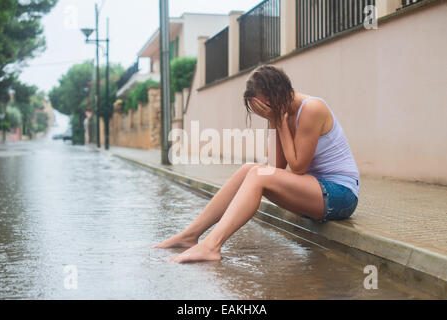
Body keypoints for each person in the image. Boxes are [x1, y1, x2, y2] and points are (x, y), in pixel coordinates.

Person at [153, 65, 360, 263]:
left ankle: (211, 246)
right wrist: (274, 121)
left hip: (341, 194)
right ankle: (190, 235)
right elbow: (275, 167)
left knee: (257, 174)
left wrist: (278, 121)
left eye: (265, 108)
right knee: (249, 170)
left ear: (278, 94)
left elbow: (298, 167)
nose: (264, 112)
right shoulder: (281, 113)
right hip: (315, 191)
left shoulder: (312, 109)